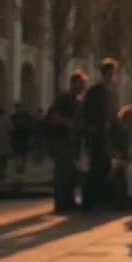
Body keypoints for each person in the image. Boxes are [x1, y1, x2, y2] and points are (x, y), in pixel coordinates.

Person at [81, 58, 118, 209]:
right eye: (111, 71)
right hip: (97, 133)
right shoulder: (96, 90)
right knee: (97, 165)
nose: (112, 75)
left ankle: (100, 198)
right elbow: (89, 111)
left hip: (105, 133)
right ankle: (91, 199)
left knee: (103, 164)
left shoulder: (110, 88)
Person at [48, 71, 87, 212]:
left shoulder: (79, 99)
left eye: (83, 84)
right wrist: (70, 125)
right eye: (80, 83)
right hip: (61, 140)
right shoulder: (64, 98)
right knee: (62, 173)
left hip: (72, 141)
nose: (82, 86)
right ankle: (61, 204)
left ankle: (69, 201)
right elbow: (54, 115)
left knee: (70, 171)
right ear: (73, 83)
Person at [0, 106, 13, 182]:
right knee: (5, 156)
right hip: (5, 139)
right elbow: (11, 128)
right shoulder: (6, 118)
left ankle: (1, 170)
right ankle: (3, 171)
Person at [11, 103, 33, 174]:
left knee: (19, 153)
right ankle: (21, 166)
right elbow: (30, 126)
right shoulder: (25, 116)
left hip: (20, 136)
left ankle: (20, 166)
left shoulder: (14, 117)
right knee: (21, 153)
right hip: (21, 136)